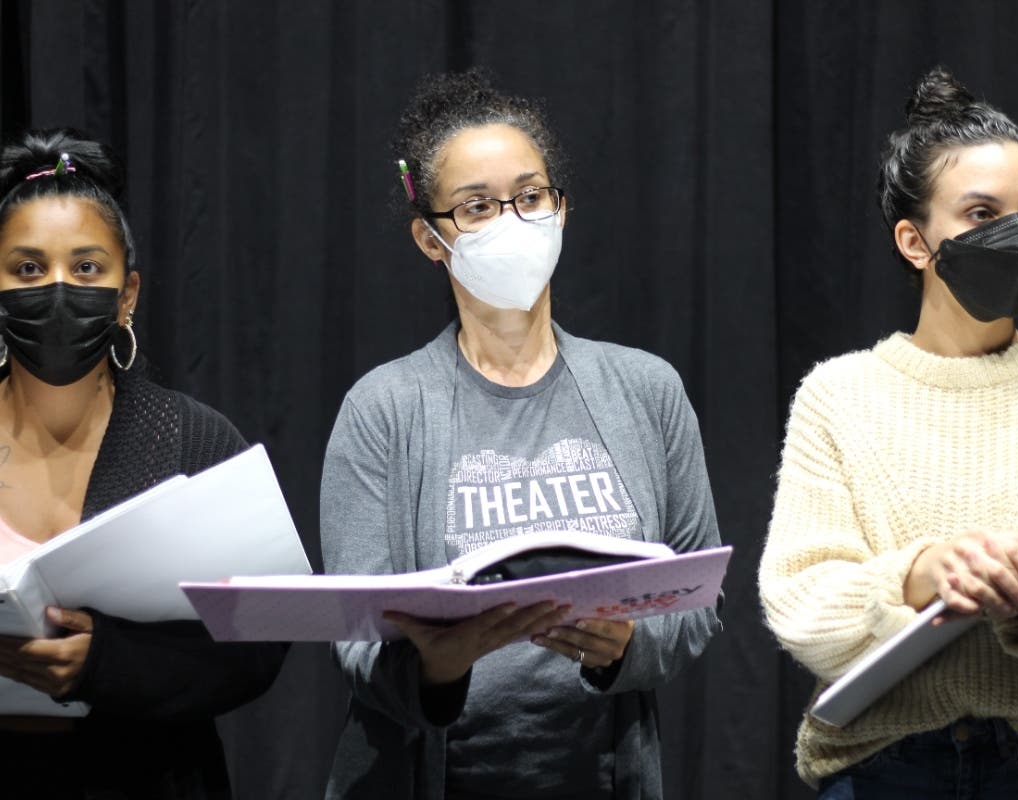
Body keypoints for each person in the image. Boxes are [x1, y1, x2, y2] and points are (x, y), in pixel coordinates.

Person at [320, 69, 721, 800]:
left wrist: (625, 646)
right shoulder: (382, 407)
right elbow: (355, 641)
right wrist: (441, 664)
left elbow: (696, 599)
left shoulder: (645, 389)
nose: (511, 221)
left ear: (560, 210)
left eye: (529, 197)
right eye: (475, 207)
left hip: (601, 776)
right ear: (431, 239)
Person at [759, 66, 1018, 798]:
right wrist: (917, 574)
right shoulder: (837, 396)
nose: (1013, 237)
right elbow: (799, 608)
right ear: (913, 240)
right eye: (980, 213)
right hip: (881, 768)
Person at [0, 129, 287, 798]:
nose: (60, 289)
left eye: (88, 267)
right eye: (29, 269)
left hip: (153, 776)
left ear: (127, 294)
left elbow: (263, 642)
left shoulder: (192, 440)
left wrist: (106, 664)